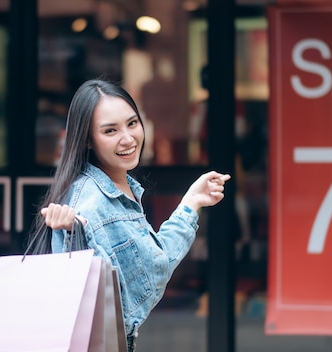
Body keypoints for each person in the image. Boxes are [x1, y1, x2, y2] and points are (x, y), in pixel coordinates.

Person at [28, 79, 231, 351]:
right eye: (110, 130)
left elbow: (152, 267)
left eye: (132, 123)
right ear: (87, 139)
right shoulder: (90, 201)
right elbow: (83, 301)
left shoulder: (119, 189)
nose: (128, 138)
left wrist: (191, 202)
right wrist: (68, 234)